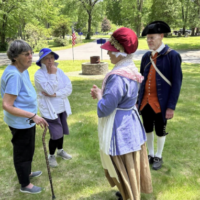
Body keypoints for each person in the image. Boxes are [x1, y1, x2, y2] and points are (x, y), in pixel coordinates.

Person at [91, 27, 152, 200]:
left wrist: (98, 96)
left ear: (120, 53)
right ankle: (129, 191)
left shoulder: (118, 77)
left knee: (123, 164)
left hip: (120, 127)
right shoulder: (130, 70)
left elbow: (105, 109)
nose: (108, 54)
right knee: (130, 161)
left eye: (111, 51)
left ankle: (129, 194)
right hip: (130, 121)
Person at [0, 40, 48, 194]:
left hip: (25, 120)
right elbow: (7, 105)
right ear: (15, 57)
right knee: (23, 152)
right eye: (26, 54)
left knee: (28, 149)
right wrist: (33, 115)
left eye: (31, 53)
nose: (31, 57)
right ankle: (25, 185)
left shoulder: (22, 70)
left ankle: (26, 173)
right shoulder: (14, 75)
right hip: (21, 122)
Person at [137, 21, 182, 170]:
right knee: (147, 128)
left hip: (161, 103)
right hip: (145, 101)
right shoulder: (145, 57)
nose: (149, 41)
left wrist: (171, 106)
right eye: (147, 38)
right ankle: (149, 154)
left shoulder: (172, 56)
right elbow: (141, 80)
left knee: (160, 129)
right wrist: (138, 100)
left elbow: (176, 83)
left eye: (152, 37)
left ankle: (159, 155)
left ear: (161, 36)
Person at [34, 48, 72, 168]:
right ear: (41, 61)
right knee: (56, 134)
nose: (50, 60)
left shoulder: (59, 71)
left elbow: (69, 88)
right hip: (50, 110)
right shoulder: (39, 74)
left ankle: (60, 151)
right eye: (46, 58)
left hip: (61, 107)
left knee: (61, 132)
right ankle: (51, 156)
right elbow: (49, 89)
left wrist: (56, 94)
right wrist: (52, 74)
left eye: (51, 57)